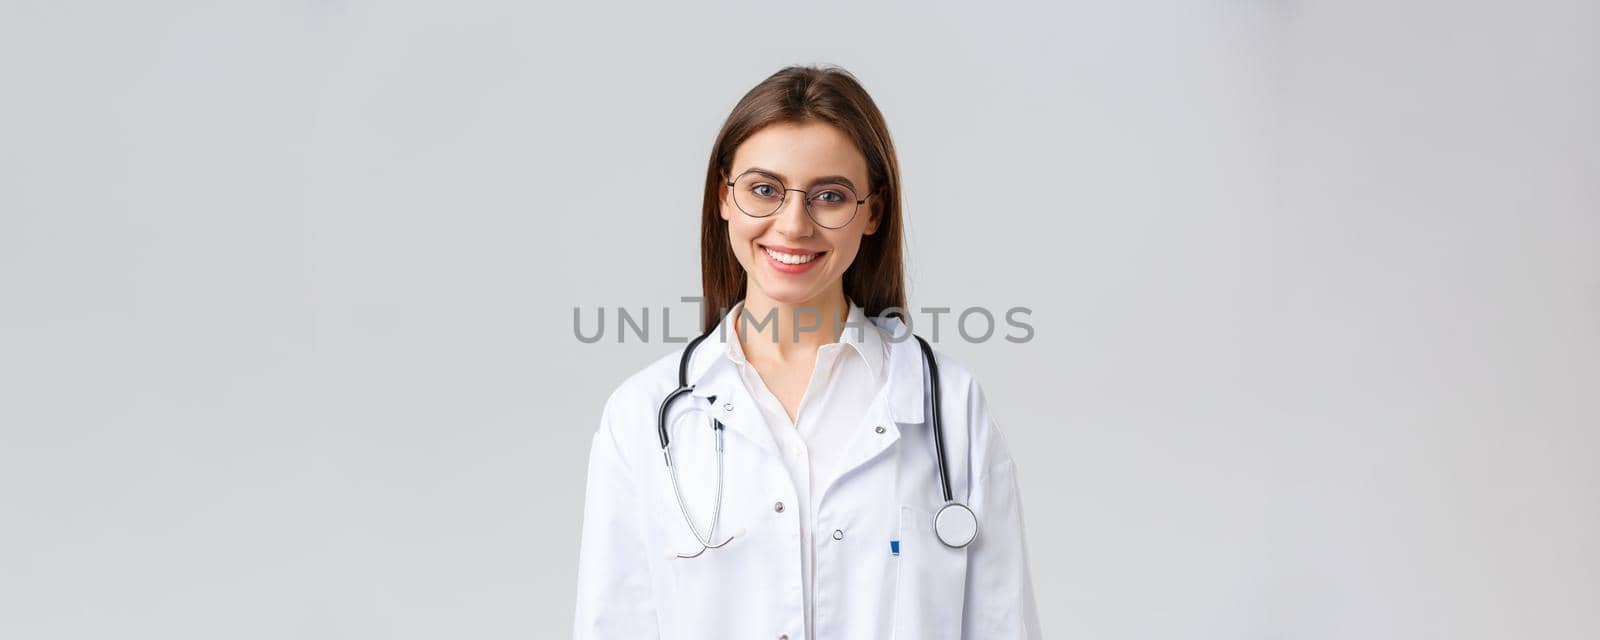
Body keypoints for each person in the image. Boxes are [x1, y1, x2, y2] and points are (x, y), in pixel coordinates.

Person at [573, 64, 1041, 639]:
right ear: (724, 198)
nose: (793, 225)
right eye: (764, 190)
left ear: (872, 213)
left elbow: (1001, 626)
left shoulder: (950, 406)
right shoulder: (642, 414)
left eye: (830, 196)